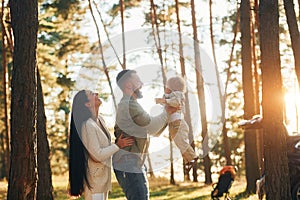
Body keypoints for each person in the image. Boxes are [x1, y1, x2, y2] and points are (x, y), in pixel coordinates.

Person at [113, 69, 173, 200]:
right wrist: (168, 111)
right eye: (138, 81)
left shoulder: (131, 104)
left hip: (133, 162)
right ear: (128, 85)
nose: (142, 84)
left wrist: (167, 111)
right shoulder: (128, 105)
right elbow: (152, 126)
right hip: (128, 163)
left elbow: (154, 130)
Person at [68, 90, 134, 200]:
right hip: (95, 183)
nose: (97, 94)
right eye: (92, 94)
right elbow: (97, 155)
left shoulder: (100, 120)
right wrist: (118, 145)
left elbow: (105, 147)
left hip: (103, 181)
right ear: (88, 104)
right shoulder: (87, 126)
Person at [155, 76, 198, 171]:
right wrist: (163, 99)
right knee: (179, 143)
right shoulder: (170, 95)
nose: (165, 88)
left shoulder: (178, 94)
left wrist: (165, 100)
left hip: (177, 123)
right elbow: (165, 104)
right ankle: (188, 160)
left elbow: (176, 102)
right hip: (173, 125)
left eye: (167, 86)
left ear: (173, 87)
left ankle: (192, 157)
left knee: (181, 142)